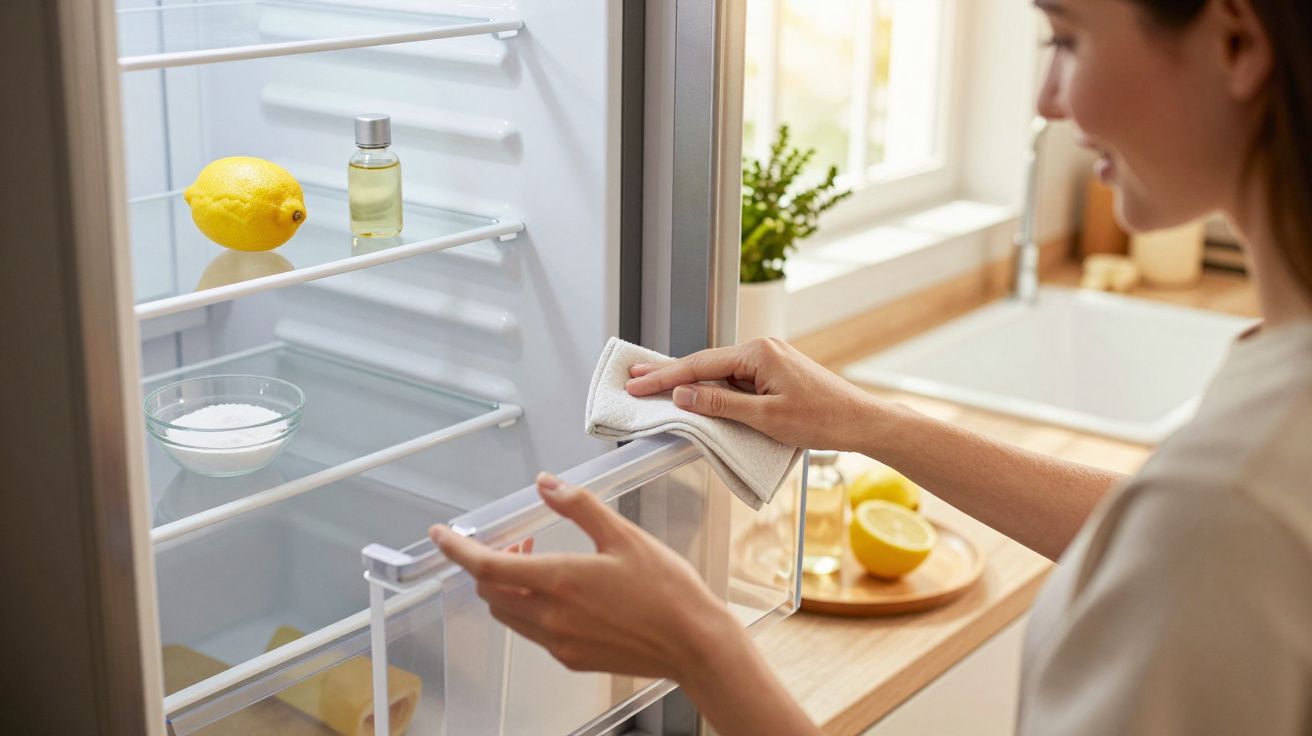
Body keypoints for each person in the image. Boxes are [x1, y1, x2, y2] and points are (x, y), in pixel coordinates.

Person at [430, 0, 1312, 732]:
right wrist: (868, 423)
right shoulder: (1269, 409)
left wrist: (700, 647)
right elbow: (1156, 537)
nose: (1047, 98)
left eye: (1067, 38)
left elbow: (1198, 531)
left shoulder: (1233, 496)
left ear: (1236, 42)